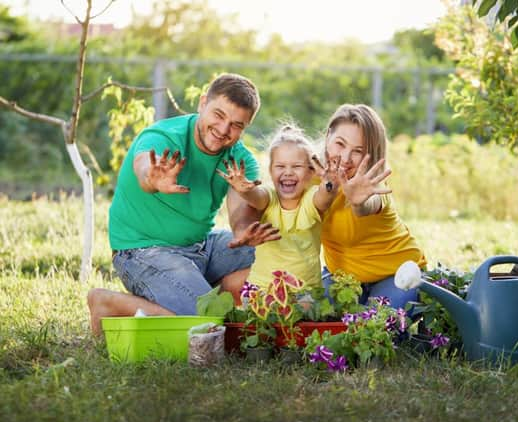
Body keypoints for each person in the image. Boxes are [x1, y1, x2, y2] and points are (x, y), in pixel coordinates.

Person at [87, 73, 280, 335]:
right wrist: (152, 179)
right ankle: (110, 303)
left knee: (278, 252)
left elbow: (239, 214)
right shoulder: (165, 136)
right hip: (143, 251)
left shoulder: (238, 158)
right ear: (202, 104)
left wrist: (245, 231)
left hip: (201, 247)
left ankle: (204, 292)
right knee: (210, 322)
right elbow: (144, 165)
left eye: (236, 125)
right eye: (218, 115)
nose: (223, 130)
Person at [319, 104, 427, 309]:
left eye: (358, 151)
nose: (346, 158)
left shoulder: (374, 185)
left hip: (397, 274)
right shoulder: (313, 179)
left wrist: (357, 202)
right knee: (316, 318)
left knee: (379, 326)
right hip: (342, 277)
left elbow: (369, 205)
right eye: (340, 144)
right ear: (328, 137)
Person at [218, 123, 339, 291]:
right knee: (226, 287)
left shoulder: (310, 199)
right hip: (261, 289)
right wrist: (243, 190)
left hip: (304, 291)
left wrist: (329, 184)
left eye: (296, 166)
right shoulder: (269, 197)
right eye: (280, 166)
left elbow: (323, 199)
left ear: (311, 172)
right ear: (271, 170)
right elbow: (255, 196)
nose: (288, 172)